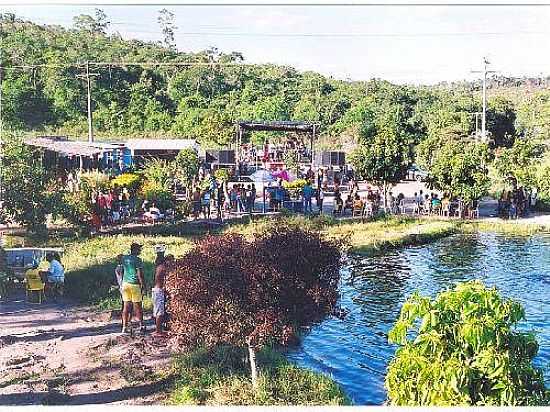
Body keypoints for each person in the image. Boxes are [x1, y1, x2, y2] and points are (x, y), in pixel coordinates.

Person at [120, 243, 146, 335]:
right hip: (134, 285)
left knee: (126, 306)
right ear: (135, 250)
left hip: (125, 284)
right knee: (137, 306)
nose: (140, 251)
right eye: (139, 249)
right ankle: (141, 326)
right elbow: (139, 274)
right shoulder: (138, 260)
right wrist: (143, 285)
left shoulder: (125, 258)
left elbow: (121, 268)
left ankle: (124, 327)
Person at [152, 254, 174, 337]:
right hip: (159, 291)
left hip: (158, 290)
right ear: (166, 260)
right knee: (159, 312)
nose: (172, 263)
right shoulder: (163, 268)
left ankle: (159, 329)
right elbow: (165, 281)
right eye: (171, 261)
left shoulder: (160, 267)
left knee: (160, 311)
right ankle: (158, 331)